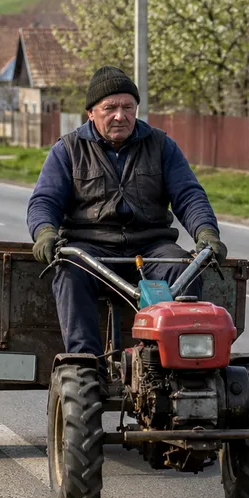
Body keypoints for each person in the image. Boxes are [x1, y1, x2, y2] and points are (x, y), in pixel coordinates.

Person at [26, 66, 228, 361]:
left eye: (127, 107)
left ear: (136, 109)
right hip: (91, 251)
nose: (120, 115)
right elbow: (44, 200)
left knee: (181, 269)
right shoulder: (67, 150)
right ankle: (85, 363)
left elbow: (188, 195)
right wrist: (45, 232)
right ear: (91, 113)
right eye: (110, 108)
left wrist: (207, 233)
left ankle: (172, 361)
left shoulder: (161, 146)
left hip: (151, 249)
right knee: (68, 270)